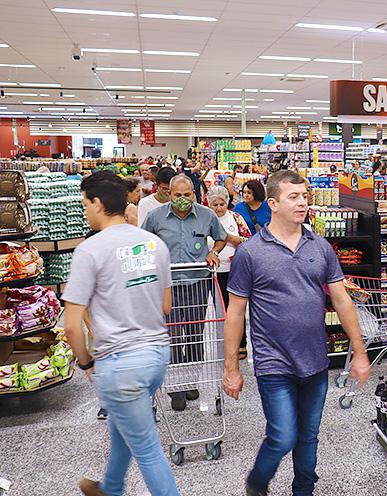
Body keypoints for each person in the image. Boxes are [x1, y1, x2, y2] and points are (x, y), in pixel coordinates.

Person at [222, 170, 371, 496]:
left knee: (309, 435)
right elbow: (235, 313)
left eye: (305, 196)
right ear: (273, 203)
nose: (302, 202)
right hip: (273, 362)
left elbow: (342, 301)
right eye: (294, 197)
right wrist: (231, 368)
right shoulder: (251, 253)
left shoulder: (321, 247)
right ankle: (257, 482)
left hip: (315, 360)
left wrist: (360, 353)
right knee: (283, 435)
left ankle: (304, 490)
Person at [61, 171, 178, 496]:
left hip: (120, 363)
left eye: (85, 203)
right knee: (121, 426)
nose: (85, 210)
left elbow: (71, 324)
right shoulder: (154, 243)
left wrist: (86, 364)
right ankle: (110, 488)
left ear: (97, 203)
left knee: (148, 449)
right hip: (156, 356)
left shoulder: (90, 250)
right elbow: (165, 306)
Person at [141, 174, 227, 411]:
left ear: (194, 194)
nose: (182, 199)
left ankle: (192, 379)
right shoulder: (155, 217)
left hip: (198, 283)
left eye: (187, 195)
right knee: (174, 336)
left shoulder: (206, 215)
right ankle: (176, 387)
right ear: (169, 194)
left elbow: (220, 238)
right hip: (168, 287)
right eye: (177, 195)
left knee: (196, 335)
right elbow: (144, 243)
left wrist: (213, 253)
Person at [206, 186, 252, 360]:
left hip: (233, 270)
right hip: (210, 272)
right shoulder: (204, 218)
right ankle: (223, 344)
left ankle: (241, 345)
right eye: (215, 204)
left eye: (222, 204)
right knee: (219, 310)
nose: (218, 208)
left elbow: (249, 240)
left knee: (234, 309)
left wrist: (232, 239)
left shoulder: (236, 217)